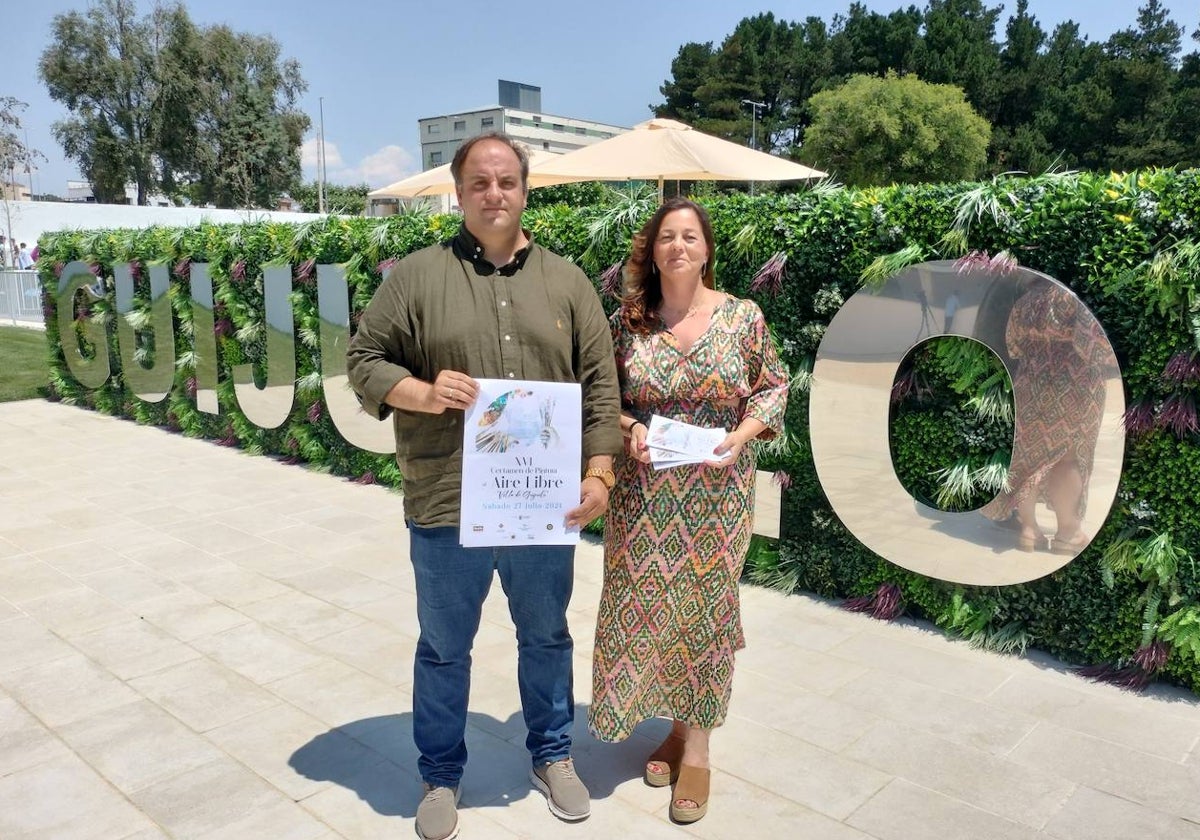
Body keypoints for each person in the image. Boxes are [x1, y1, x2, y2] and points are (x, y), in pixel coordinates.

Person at [346, 132, 621, 840]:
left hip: (541, 506)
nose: (494, 194)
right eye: (480, 183)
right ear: (459, 191)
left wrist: (598, 470)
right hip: (448, 503)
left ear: (525, 189)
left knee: (546, 638)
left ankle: (553, 755)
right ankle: (440, 774)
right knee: (443, 647)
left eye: (506, 182)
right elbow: (364, 359)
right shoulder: (416, 277)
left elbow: (599, 386)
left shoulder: (566, 282)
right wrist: (422, 390)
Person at [588, 198, 788, 824]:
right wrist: (626, 428)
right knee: (645, 611)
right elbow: (602, 397)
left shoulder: (743, 317)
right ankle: (672, 730)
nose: (678, 246)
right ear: (652, 251)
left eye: (690, 236)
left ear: (706, 249)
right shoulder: (628, 323)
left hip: (718, 498)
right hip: (644, 498)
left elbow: (774, 386)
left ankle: (696, 747)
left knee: (703, 614)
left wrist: (745, 432)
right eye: (666, 237)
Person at [980, 276, 1108, 553]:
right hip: (1075, 382)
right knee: (1068, 455)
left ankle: (1028, 530)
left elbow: (1013, 346)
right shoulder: (1071, 296)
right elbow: (1093, 346)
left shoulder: (1026, 301)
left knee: (1025, 458)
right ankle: (1068, 533)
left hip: (1030, 381)